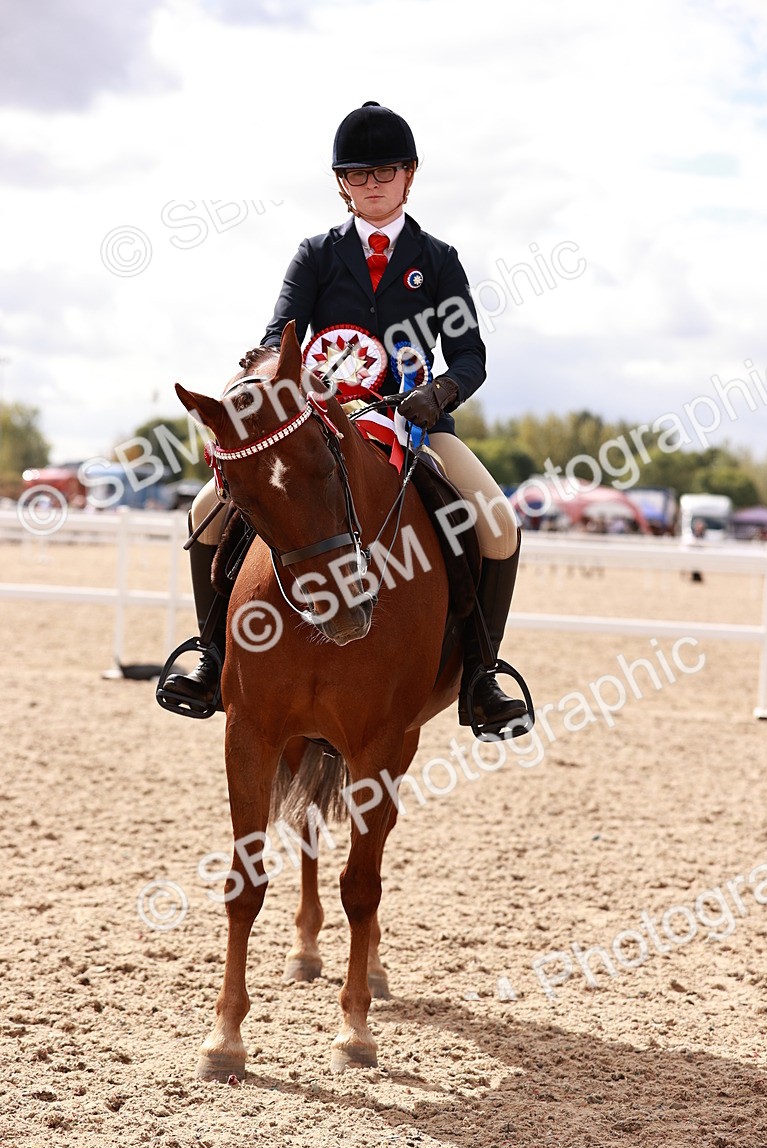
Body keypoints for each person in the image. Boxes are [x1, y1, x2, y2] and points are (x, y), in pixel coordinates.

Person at [162, 101, 530, 736]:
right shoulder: (316, 254)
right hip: (320, 419)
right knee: (205, 513)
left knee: (497, 522)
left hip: (413, 421)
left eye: (384, 171)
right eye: (358, 175)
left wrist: (437, 395)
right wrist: (285, 375)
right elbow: (280, 334)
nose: (372, 185)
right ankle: (210, 655)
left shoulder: (439, 259)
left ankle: (480, 676)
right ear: (341, 184)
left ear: (409, 176)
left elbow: (470, 357)